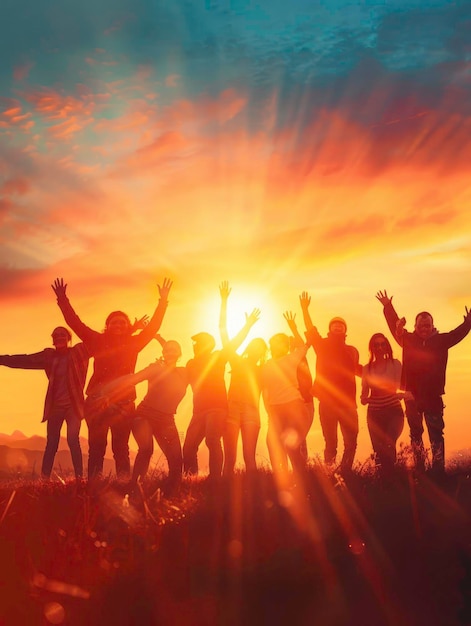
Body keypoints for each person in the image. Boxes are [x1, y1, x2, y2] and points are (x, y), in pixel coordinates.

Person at [51, 277, 172, 480]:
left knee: (120, 447)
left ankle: (123, 484)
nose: (119, 324)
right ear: (107, 325)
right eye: (114, 322)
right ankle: (93, 486)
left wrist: (163, 301)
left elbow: (152, 328)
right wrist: (62, 299)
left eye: (122, 322)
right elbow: (75, 322)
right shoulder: (96, 340)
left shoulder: (135, 343)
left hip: (124, 403)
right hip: (97, 402)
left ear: (127, 326)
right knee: (97, 448)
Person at [376, 290, 471, 475]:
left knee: (436, 434)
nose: (425, 329)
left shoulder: (442, 340)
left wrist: (468, 323)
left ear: (432, 325)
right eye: (421, 326)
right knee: (416, 434)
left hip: (434, 397)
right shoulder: (407, 339)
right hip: (411, 396)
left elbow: (458, 334)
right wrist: (388, 307)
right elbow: (394, 325)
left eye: (427, 325)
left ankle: (437, 471)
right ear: (415, 326)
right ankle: (419, 469)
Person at [183, 287, 260, 480]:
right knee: (189, 447)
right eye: (194, 343)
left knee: (212, 440)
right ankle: (192, 479)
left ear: (208, 345)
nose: (196, 345)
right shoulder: (190, 364)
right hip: (198, 410)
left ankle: (215, 479)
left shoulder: (218, 356)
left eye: (199, 342)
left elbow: (224, 331)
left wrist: (226, 303)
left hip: (217, 408)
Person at [0, 326, 88, 479]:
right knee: (52, 442)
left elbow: (100, 343)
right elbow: (24, 360)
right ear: (53, 339)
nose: (59, 337)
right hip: (55, 407)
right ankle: (45, 478)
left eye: (62, 334)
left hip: (74, 406)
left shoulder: (78, 352)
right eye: (56, 335)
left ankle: (80, 478)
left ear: (69, 338)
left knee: (73, 440)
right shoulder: (49, 356)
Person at [103, 336, 188, 495]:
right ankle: (135, 488)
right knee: (146, 449)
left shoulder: (184, 372)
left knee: (176, 461)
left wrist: (163, 340)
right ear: (163, 353)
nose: (170, 352)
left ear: (180, 353)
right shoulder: (155, 368)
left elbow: (171, 356)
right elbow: (132, 379)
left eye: (174, 349)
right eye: (167, 350)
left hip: (167, 420)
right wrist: (108, 392)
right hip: (144, 416)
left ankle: (169, 495)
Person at [300, 292, 361, 473]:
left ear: (345, 330)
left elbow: (358, 370)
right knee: (331, 442)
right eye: (334, 325)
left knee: (351, 441)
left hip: (348, 403)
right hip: (327, 403)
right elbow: (311, 330)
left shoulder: (352, 350)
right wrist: (305, 309)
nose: (337, 327)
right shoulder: (322, 345)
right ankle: (330, 472)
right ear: (330, 328)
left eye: (340, 325)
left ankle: (345, 472)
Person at [219, 281, 266, 475]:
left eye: (260, 347)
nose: (256, 349)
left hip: (251, 412)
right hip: (231, 409)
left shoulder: (265, 369)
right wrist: (224, 301)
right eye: (254, 345)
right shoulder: (237, 362)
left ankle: (253, 492)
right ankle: (222, 492)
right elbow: (223, 331)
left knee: (249, 456)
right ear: (248, 347)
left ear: (264, 352)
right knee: (229, 458)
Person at [261, 331, 312, 486]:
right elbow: (265, 389)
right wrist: (268, 409)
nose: (276, 345)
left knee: (291, 445)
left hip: (293, 405)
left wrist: (293, 328)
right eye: (273, 343)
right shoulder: (267, 365)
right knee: (272, 443)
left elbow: (306, 345)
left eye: (280, 342)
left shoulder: (292, 357)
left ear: (286, 345)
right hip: (275, 409)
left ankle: (302, 480)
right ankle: (282, 480)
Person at [361, 333, 406, 476]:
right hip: (374, 412)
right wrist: (363, 398)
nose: (379, 347)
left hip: (393, 410)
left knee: (389, 442)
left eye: (382, 344)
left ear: (387, 347)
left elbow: (403, 385)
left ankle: (392, 477)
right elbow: (364, 392)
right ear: (371, 348)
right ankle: (383, 480)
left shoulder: (395, 364)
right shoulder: (366, 368)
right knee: (378, 448)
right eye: (376, 345)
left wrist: (404, 394)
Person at [283, 311, 314, 461]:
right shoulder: (285, 361)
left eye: (295, 343)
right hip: (292, 402)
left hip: (307, 400)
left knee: (301, 436)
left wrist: (294, 329)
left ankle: (302, 465)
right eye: (291, 344)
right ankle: (297, 467)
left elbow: (303, 346)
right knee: (294, 435)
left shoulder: (301, 359)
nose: (294, 346)